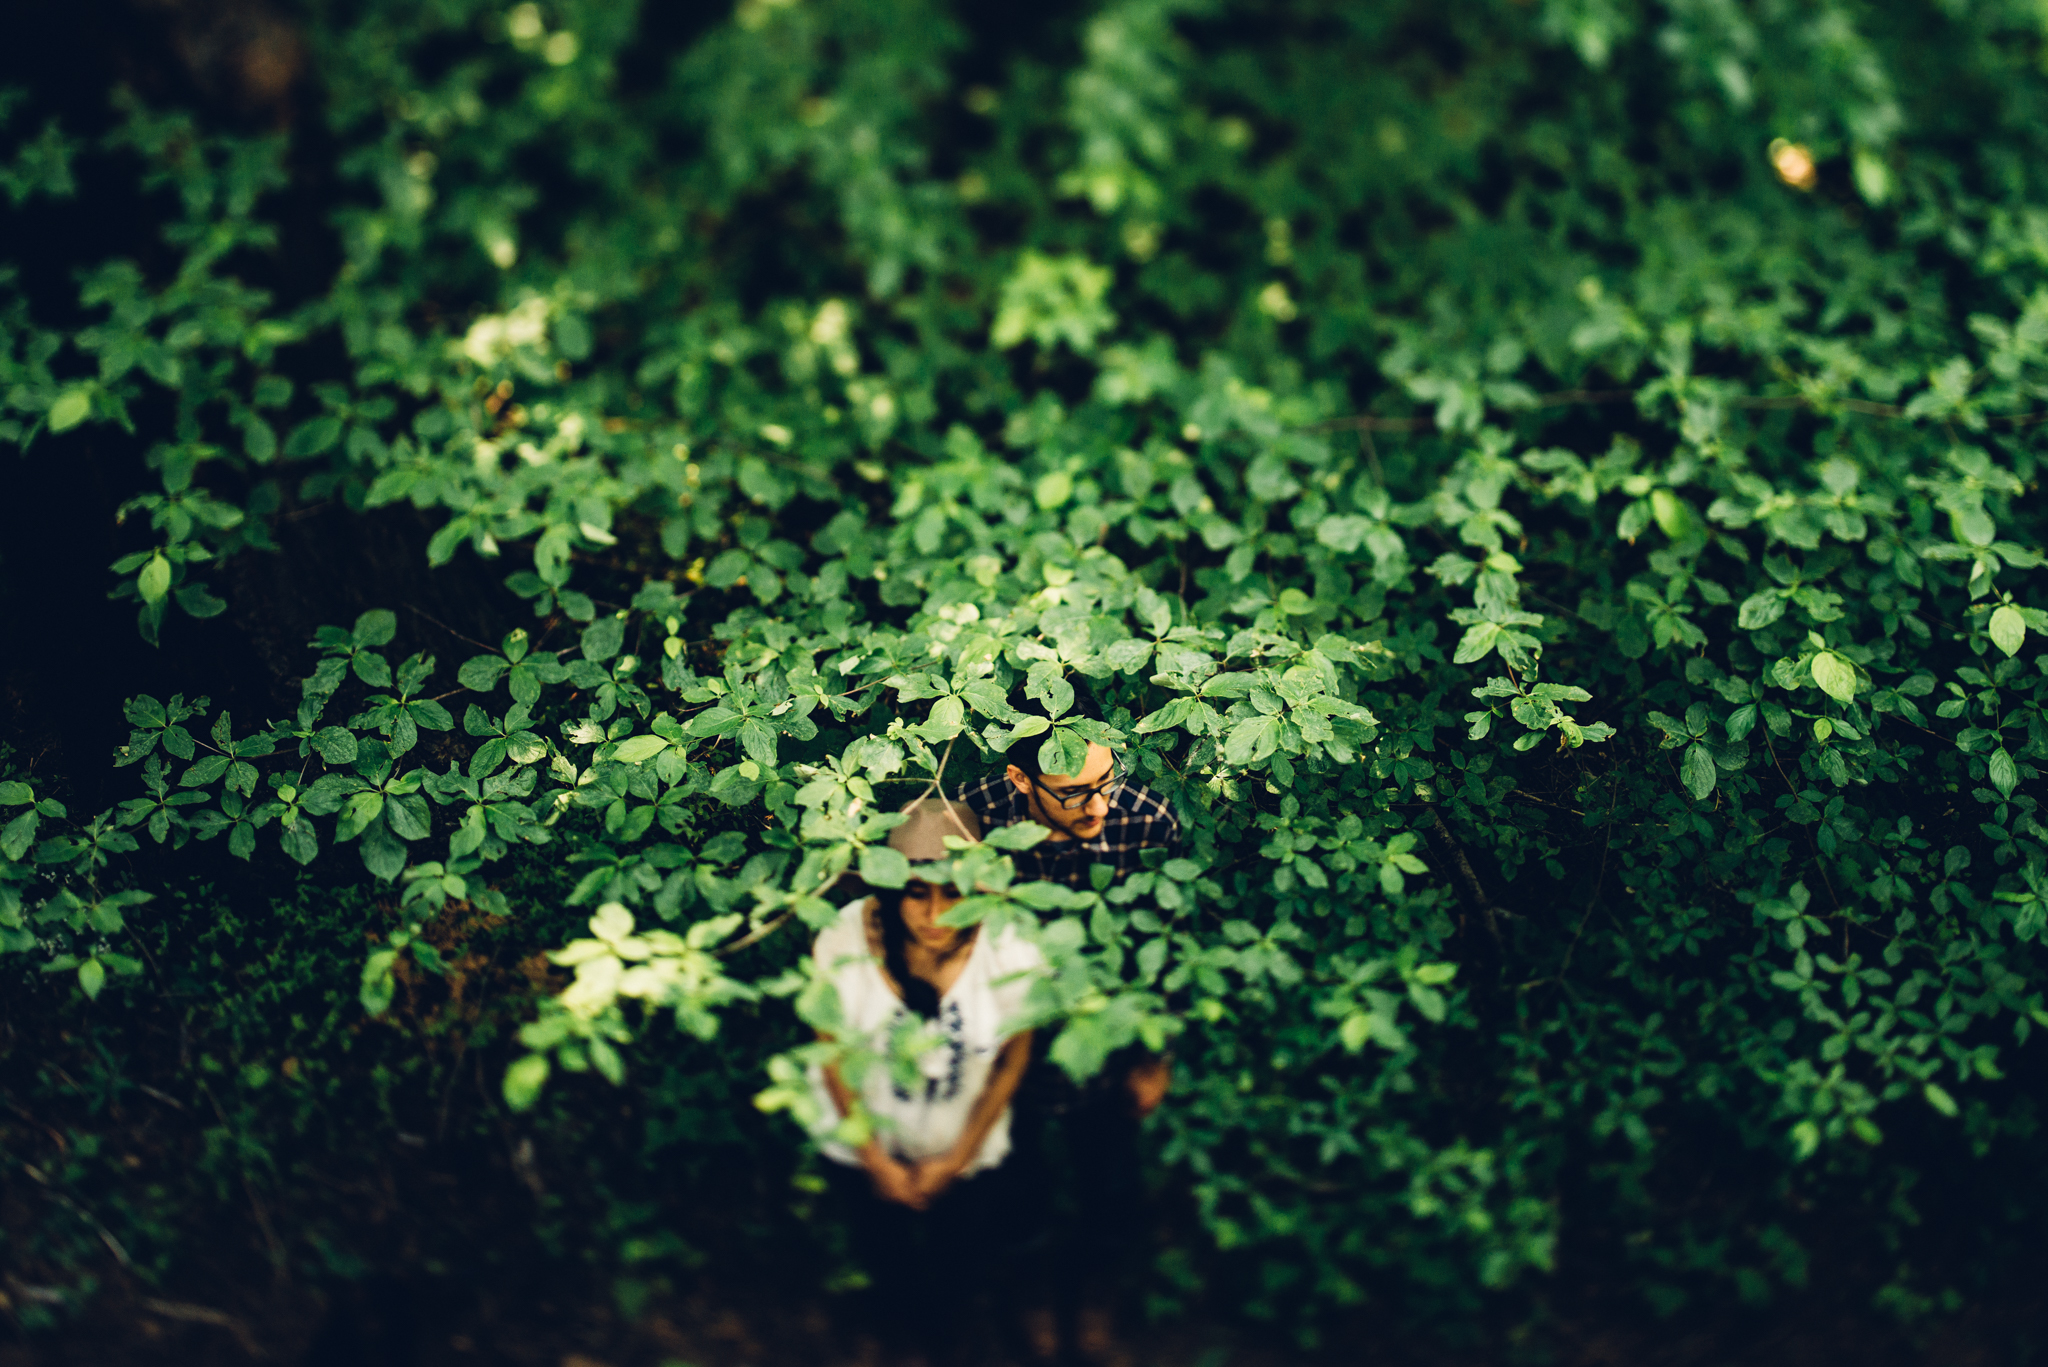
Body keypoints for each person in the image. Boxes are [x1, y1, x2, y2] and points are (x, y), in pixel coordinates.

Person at [954, 696, 1182, 1362]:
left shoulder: (1145, 821)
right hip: (1003, 1042)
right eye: (1075, 793)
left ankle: (1093, 1304)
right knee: (1015, 1190)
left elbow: (1161, 941)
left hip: (1105, 1034)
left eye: (1106, 782)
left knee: (1111, 1188)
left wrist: (1154, 1053)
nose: (1100, 805)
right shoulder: (972, 820)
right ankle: (1027, 1301)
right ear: (1021, 780)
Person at [809, 796, 1046, 1361]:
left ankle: (948, 1342)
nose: (936, 914)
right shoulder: (845, 940)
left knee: (958, 1267)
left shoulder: (1010, 948)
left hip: (964, 1152)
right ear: (892, 890)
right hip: (866, 1147)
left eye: (954, 891)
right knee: (885, 1262)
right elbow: (832, 1053)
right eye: (917, 891)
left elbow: (1014, 1059)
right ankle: (894, 1339)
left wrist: (957, 1158)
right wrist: (876, 1162)